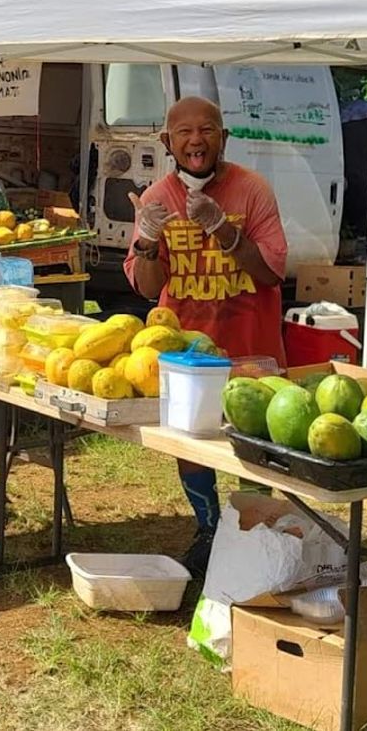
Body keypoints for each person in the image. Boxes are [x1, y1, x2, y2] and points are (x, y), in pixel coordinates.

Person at [124, 96, 287, 575]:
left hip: (251, 350)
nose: (196, 140)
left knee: (259, 447)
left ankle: (252, 532)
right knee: (192, 443)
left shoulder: (253, 190)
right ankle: (210, 527)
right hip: (189, 358)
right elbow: (150, 289)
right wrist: (148, 242)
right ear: (167, 142)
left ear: (224, 137)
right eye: (184, 133)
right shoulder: (155, 200)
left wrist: (223, 229)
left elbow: (272, 273)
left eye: (207, 130)